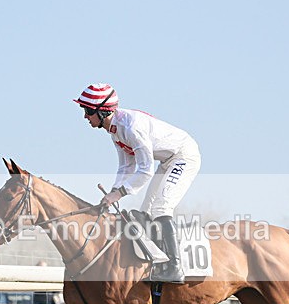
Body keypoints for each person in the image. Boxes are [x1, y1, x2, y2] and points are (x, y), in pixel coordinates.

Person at [74, 83, 201, 283]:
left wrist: (119, 193)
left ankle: (175, 268)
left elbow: (145, 170)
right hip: (167, 160)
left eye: (88, 111)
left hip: (183, 156)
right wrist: (113, 192)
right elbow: (126, 167)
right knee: (146, 211)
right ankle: (159, 263)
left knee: (161, 207)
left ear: (102, 111)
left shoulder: (131, 128)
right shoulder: (115, 130)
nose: (85, 116)